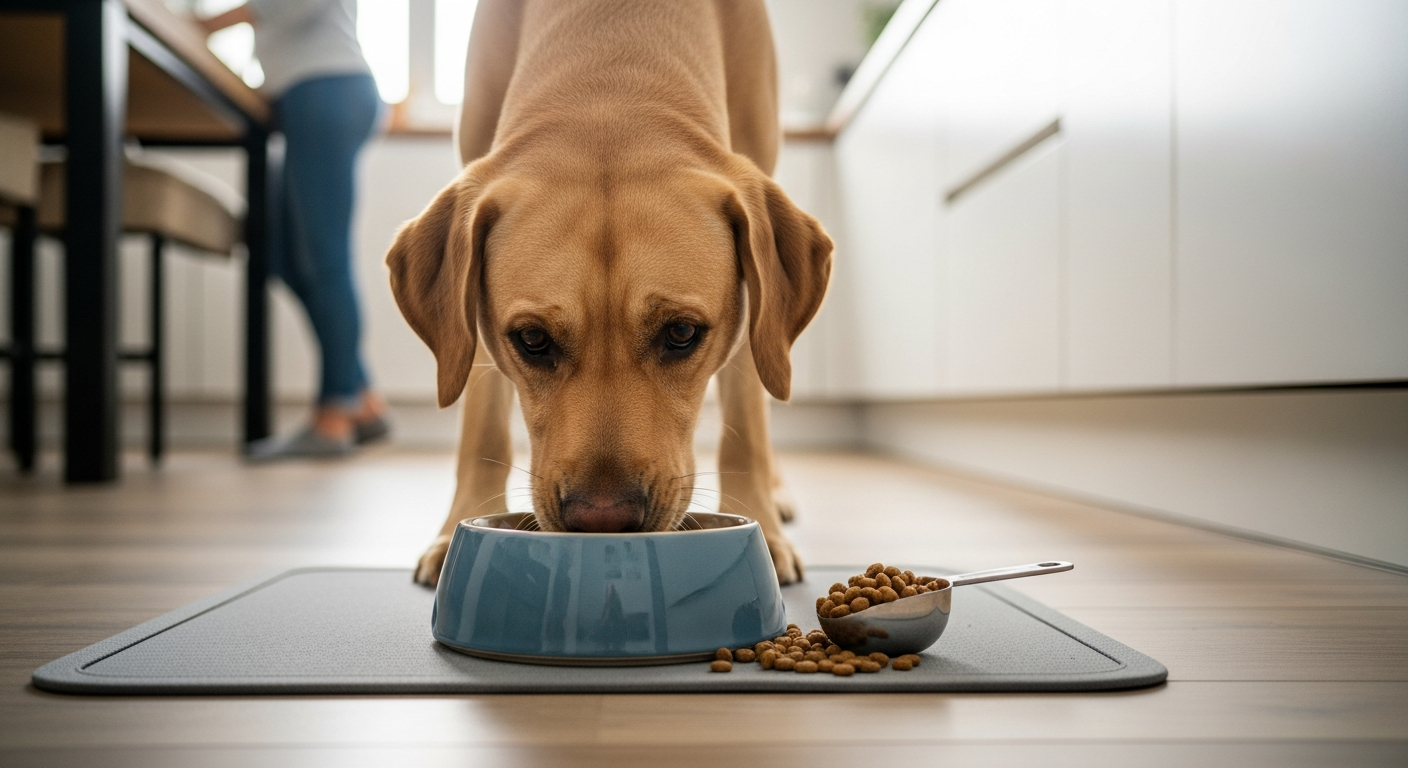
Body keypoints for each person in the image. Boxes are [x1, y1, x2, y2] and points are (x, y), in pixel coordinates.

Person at [200, 0, 390, 459]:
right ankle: (362, 399)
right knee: (277, 252)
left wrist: (207, 24)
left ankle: (333, 417)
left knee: (326, 261)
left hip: (326, 86)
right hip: (310, 92)